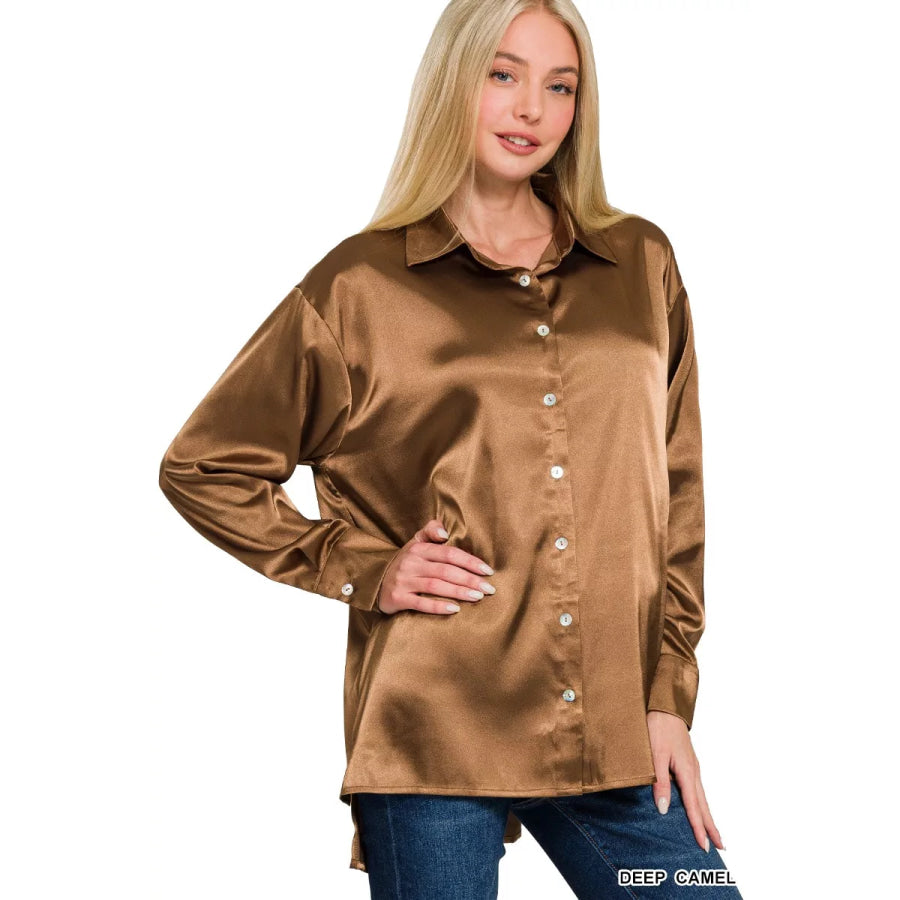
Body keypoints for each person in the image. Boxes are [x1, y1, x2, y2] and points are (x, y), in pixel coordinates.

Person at [158, 1, 743, 897]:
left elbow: (679, 489)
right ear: (453, 82)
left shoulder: (640, 262)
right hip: (434, 726)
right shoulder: (360, 284)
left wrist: (669, 696)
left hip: (617, 726)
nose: (531, 109)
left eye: (561, 87)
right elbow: (206, 465)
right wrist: (362, 567)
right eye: (503, 75)